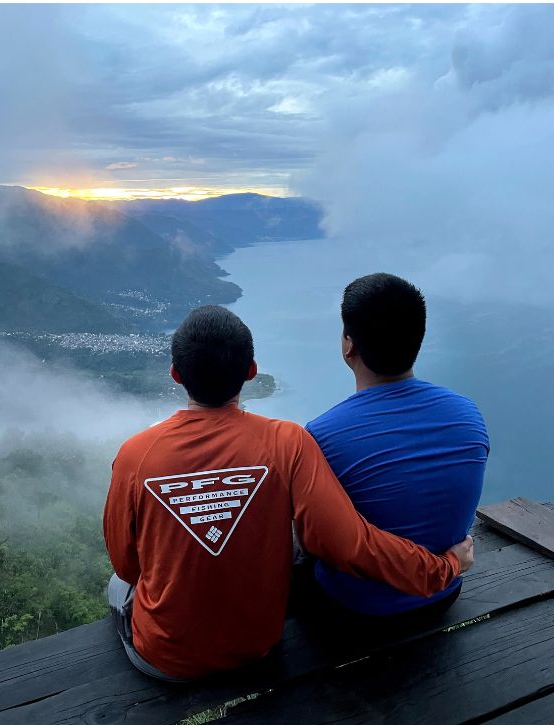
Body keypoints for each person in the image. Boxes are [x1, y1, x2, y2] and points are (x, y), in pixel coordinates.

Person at [103, 305, 473, 681]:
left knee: (116, 586)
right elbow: (352, 543)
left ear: (176, 374)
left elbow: (126, 565)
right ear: (251, 371)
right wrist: (445, 567)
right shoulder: (288, 441)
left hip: (165, 661)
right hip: (258, 648)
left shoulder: (136, 456)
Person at [306, 273, 489, 623]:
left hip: (356, 612)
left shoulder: (321, 436)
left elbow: (321, 543)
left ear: (349, 345)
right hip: (442, 596)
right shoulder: (468, 414)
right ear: (417, 339)